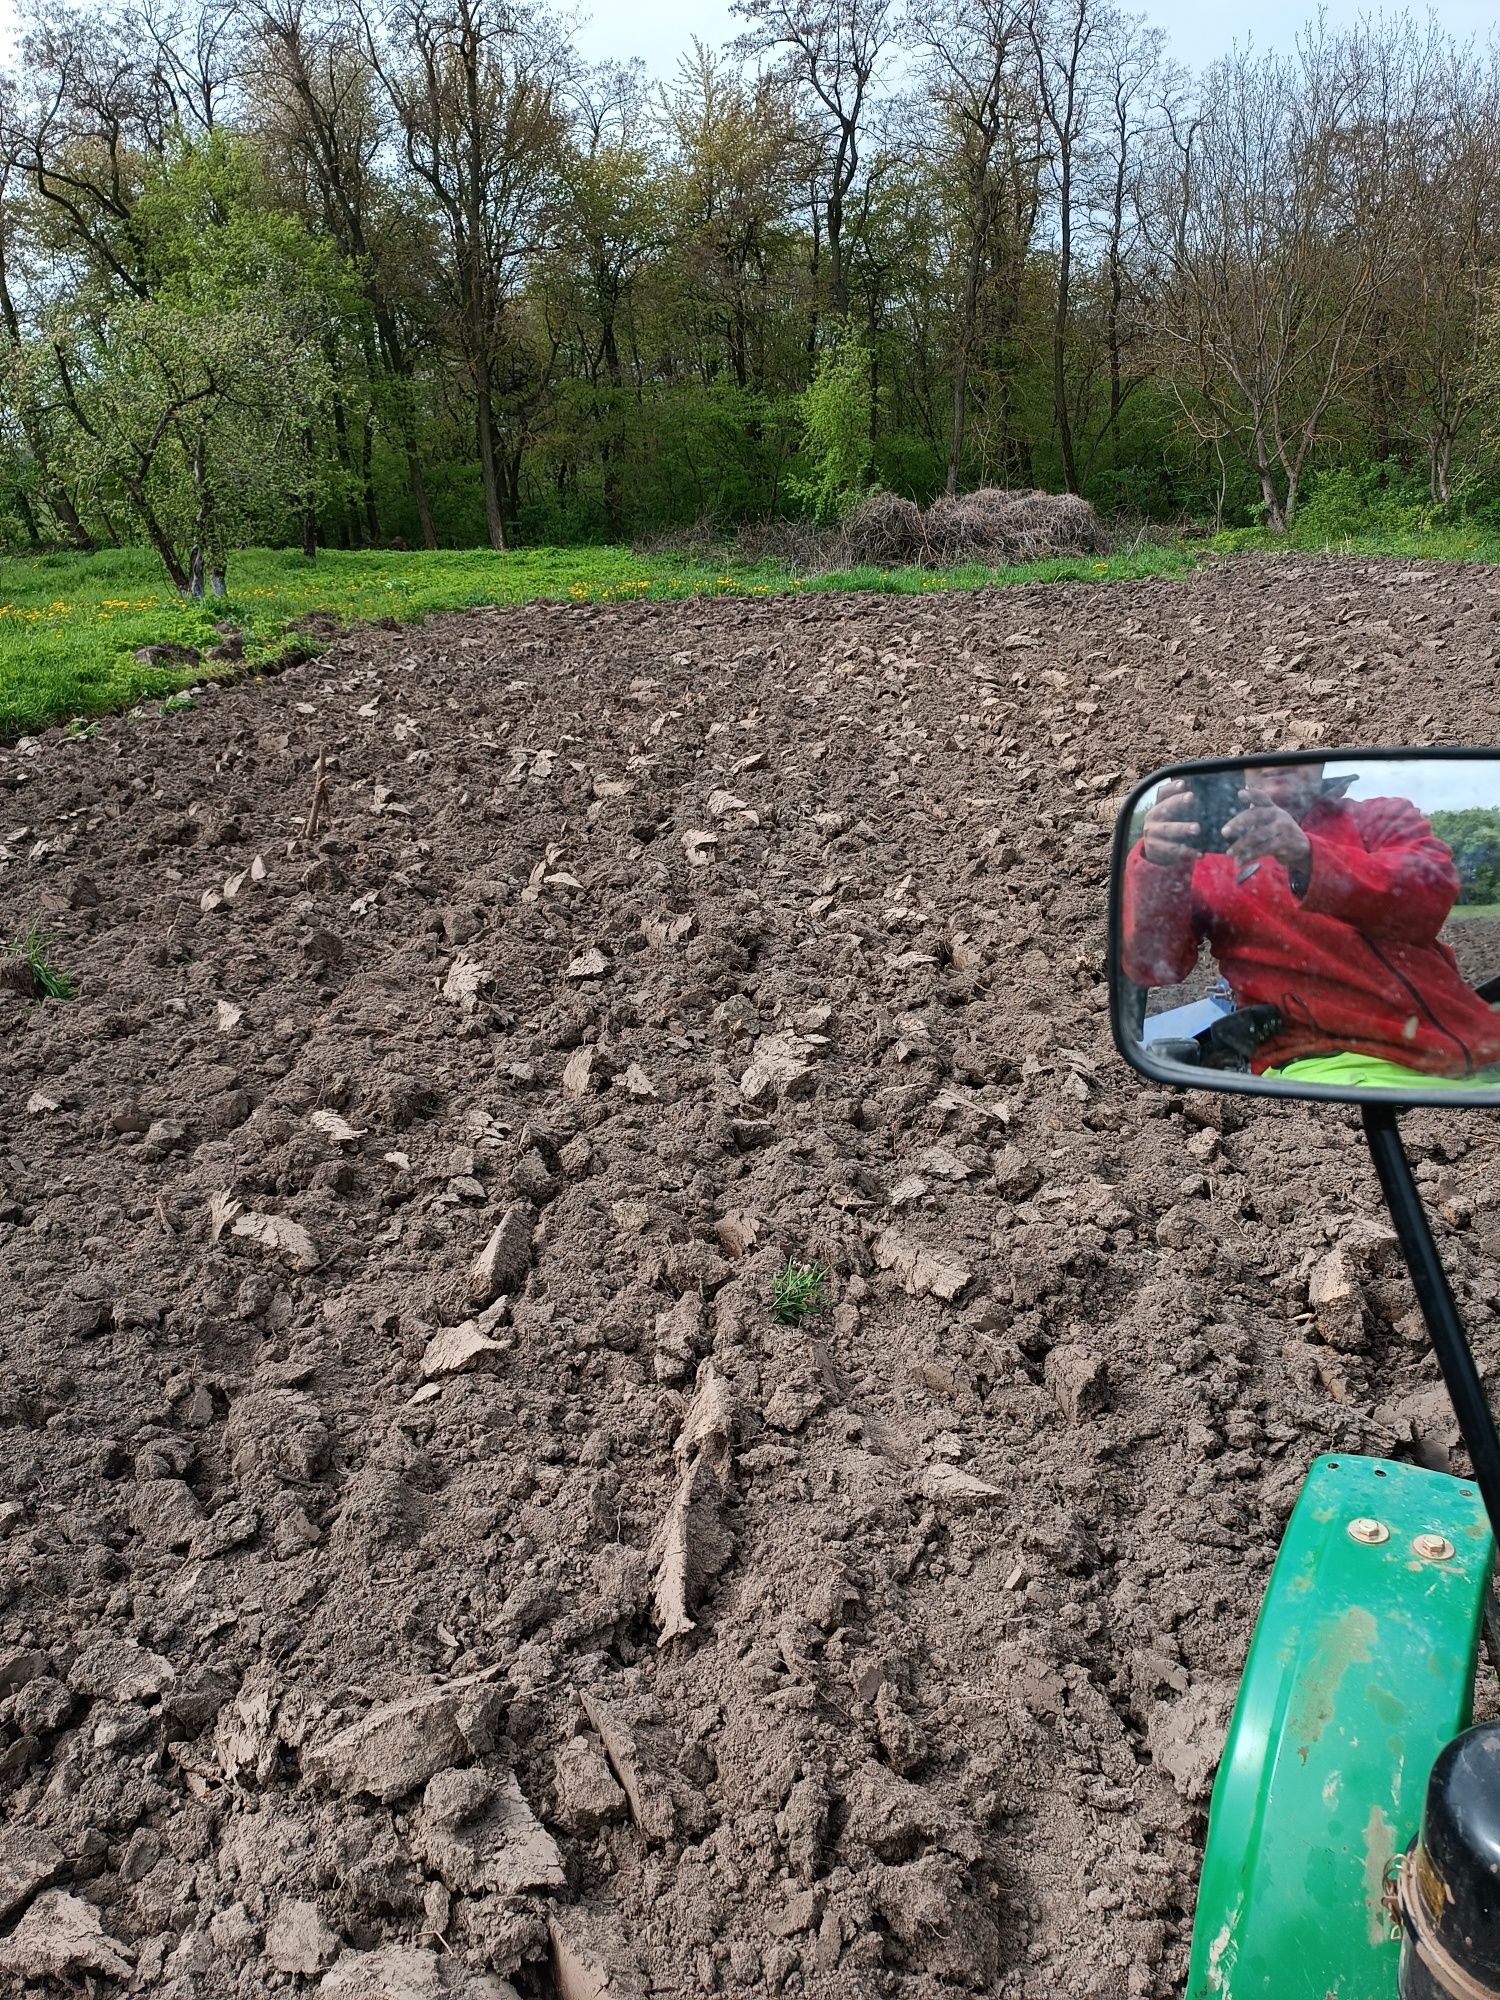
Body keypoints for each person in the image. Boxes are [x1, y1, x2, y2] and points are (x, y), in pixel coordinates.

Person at [1122, 763, 1500, 1082]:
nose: (1275, 760)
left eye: (1296, 745)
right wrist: (1157, 864)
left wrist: (1306, 855)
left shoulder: (1381, 816)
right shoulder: (1198, 857)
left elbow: (1429, 899)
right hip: (1322, 1062)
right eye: (1258, 748)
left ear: (1321, 761)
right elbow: (1153, 965)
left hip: (1475, 1043)